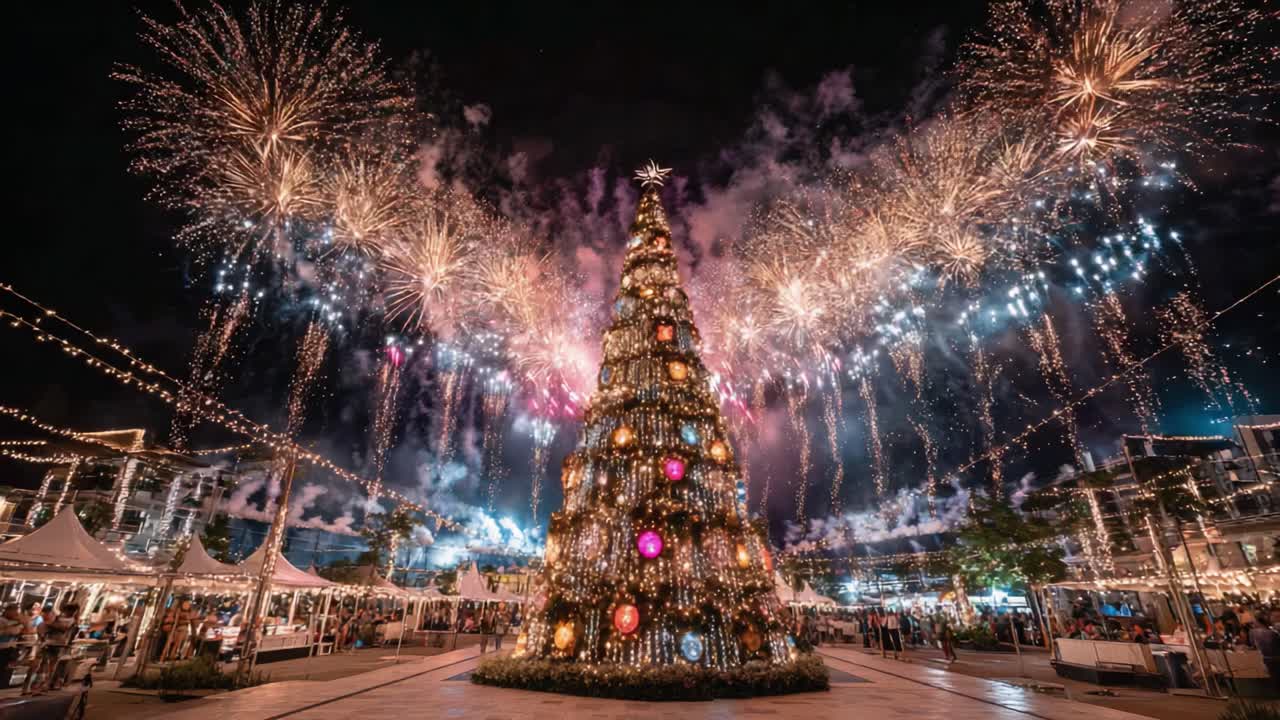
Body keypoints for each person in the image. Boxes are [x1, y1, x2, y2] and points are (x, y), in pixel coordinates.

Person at [1248, 611, 1280, 688]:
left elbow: (1253, 646)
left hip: (1263, 659)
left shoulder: (1252, 632)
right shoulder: (1273, 633)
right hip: (1275, 659)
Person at [0, 604, 25, 688]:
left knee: (6, 669)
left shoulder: (16, 622)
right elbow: (12, 631)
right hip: (2, 648)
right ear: (7, 611)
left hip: (10, 649)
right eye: (14, 611)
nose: (16, 614)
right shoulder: (1, 620)